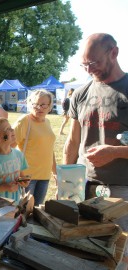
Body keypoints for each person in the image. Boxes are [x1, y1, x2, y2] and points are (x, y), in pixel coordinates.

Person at [63, 33, 128, 230]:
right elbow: (73, 142)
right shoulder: (81, 94)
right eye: (84, 65)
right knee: (83, 245)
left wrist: (115, 152)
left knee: (120, 252)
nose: (89, 70)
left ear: (114, 53)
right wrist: (67, 181)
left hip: (121, 191)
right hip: (83, 186)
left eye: (94, 63)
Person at [12, 89, 57, 206]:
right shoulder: (24, 121)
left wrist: (55, 172)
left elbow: (49, 149)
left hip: (45, 175)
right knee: (23, 211)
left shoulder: (47, 122)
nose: (39, 108)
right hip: (26, 176)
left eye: (43, 105)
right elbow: (8, 147)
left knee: (37, 210)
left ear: (49, 106)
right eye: (35, 104)